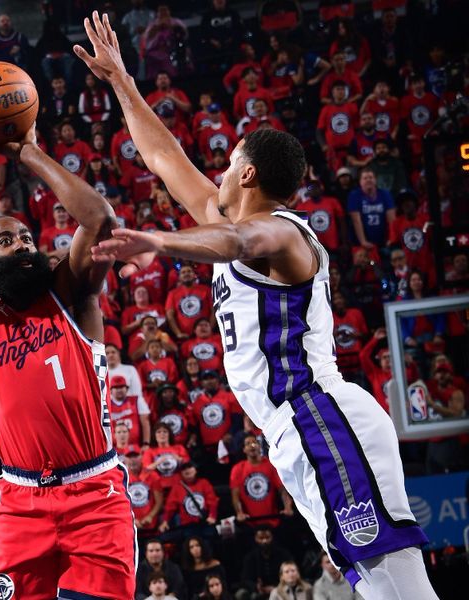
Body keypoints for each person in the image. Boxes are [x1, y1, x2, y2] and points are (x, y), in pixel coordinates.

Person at [75, 14, 435, 599]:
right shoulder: (229, 218)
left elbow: (240, 243)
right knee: (374, 582)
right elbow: (165, 159)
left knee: (395, 580)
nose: (213, 174)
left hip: (320, 412)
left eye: (226, 163)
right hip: (291, 425)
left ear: (245, 172)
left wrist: (160, 241)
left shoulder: (284, 233)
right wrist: (121, 81)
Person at [0, 67, 134, 598]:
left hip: (94, 492)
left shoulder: (71, 293)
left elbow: (99, 221)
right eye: (4, 241)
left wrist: (28, 151)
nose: (23, 244)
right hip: (20, 504)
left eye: (25, 236)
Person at [230, 434, 293, 530]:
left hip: (273, 521)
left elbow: (282, 490)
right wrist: (240, 513)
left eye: (255, 442)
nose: (252, 445)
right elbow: (235, 495)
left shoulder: (271, 464)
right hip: (250, 524)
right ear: (244, 449)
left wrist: (288, 507)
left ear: (260, 447)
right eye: (248, 443)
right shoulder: (237, 469)